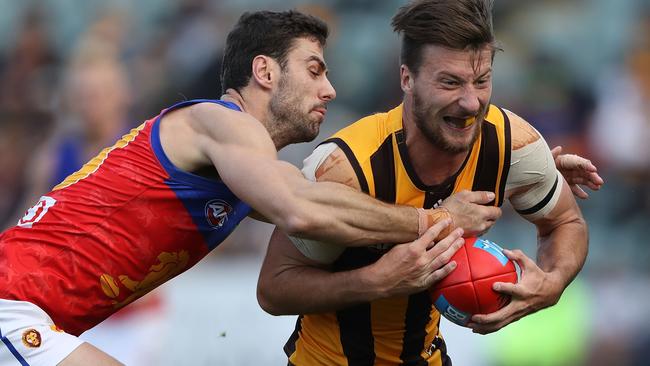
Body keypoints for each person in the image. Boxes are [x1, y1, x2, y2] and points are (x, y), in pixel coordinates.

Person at [0, 10, 510, 366]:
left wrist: (509, 167)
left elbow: (332, 205)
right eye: (313, 70)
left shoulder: (249, 168)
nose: (329, 89)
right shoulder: (220, 121)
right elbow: (302, 211)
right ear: (264, 71)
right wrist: (437, 222)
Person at [256, 1, 603, 365]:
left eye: (482, 81)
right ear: (407, 79)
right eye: (450, 82)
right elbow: (274, 289)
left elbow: (565, 222)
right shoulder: (347, 166)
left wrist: (553, 282)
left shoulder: (512, 145)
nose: (471, 102)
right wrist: (377, 280)